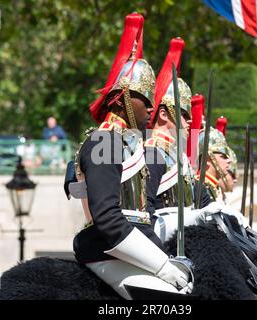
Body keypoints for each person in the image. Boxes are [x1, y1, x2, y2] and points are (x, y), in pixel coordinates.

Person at [66, 14, 192, 300]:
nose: (151, 108)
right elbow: (108, 219)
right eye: (145, 100)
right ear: (124, 97)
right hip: (107, 251)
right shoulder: (104, 140)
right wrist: (163, 266)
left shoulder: (125, 143)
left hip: (132, 250)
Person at [144, 38, 215, 242]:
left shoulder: (178, 156)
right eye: (184, 113)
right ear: (165, 114)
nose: (189, 120)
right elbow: (146, 214)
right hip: (166, 241)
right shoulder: (152, 152)